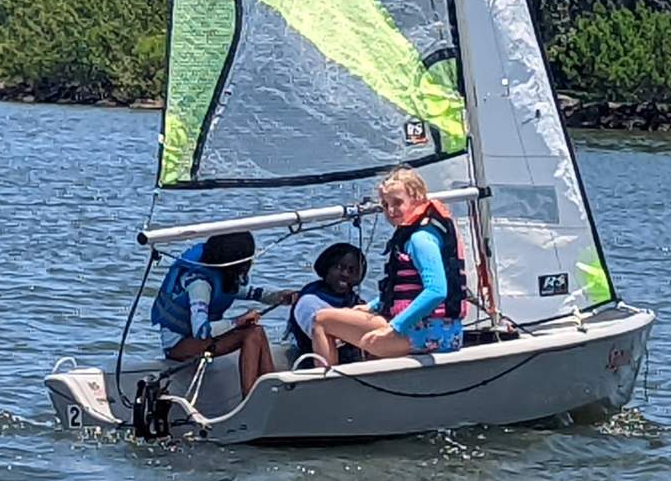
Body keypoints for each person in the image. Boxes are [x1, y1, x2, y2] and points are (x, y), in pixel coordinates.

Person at [309, 167, 468, 367]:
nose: (391, 211)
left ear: (417, 198)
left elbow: (436, 291)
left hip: (430, 333)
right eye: (385, 205)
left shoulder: (420, 239)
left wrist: (394, 327)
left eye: (397, 203)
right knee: (362, 324)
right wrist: (373, 306)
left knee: (321, 320)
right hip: (442, 331)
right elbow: (402, 288)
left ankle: (325, 388)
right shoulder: (423, 232)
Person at [149, 231, 293, 396]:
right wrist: (238, 322)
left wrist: (280, 296)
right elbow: (201, 331)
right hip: (178, 346)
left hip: (198, 339)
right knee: (251, 334)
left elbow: (253, 293)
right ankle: (250, 397)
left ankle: (272, 393)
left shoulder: (220, 275)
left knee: (257, 331)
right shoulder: (199, 285)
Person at [285, 242, 367, 364]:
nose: (345, 274)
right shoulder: (308, 301)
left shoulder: (358, 303)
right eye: (339, 268)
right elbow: (329, 338)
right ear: (327, 268)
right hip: (313, 367)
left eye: (351, 270)